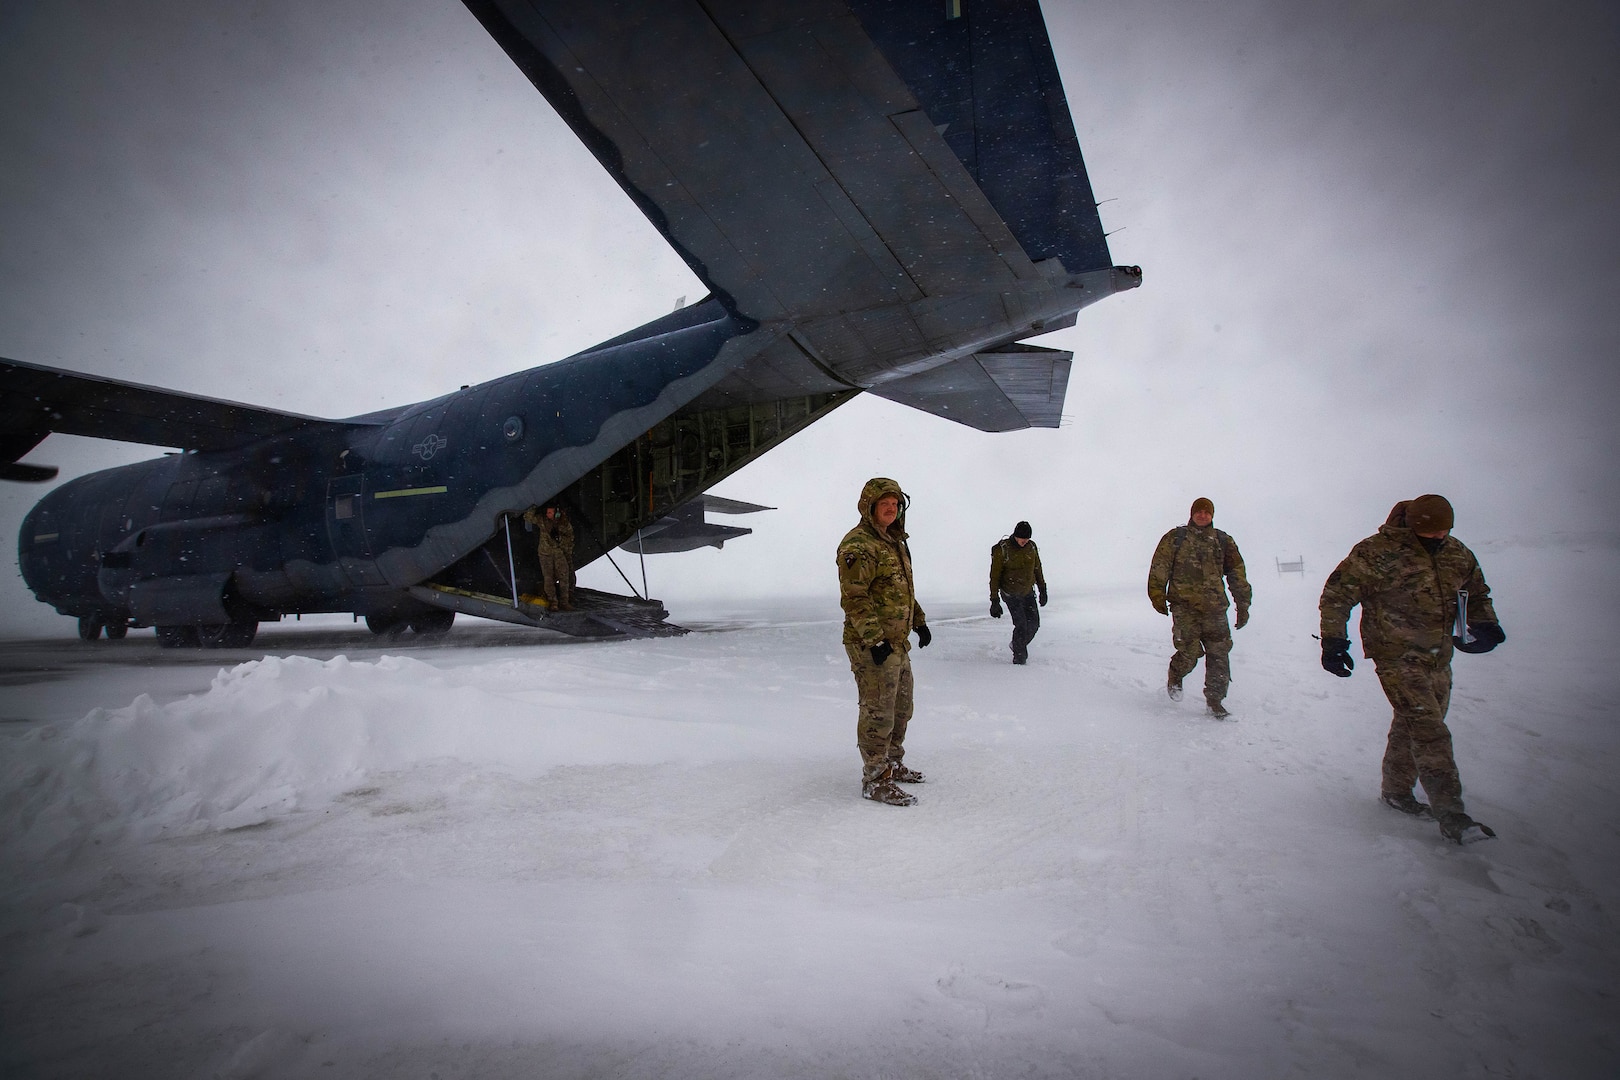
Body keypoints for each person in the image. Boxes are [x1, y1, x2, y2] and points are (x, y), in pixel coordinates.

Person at [1319, 494, 1505, 843]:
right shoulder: (1377, 552)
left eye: (1445, 531)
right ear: (1415, 526)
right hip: (1395, 654)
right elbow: (1337, 594)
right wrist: (1333, 642)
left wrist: (1487, 626)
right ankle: (1453, 815)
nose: (1439, 538)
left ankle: (1396, 791)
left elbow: (1476, 593)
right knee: (1429, 729)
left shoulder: (1457, 552)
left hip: (1438, 654)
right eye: (1432, 532)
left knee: (1413, 723)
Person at [837, 477, 931, 806]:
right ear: (870, 507)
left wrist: (918, 622)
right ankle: (875, 778)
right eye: (884, 504)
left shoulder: (894, 541)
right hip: (871, 644)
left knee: (902, 707)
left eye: (895, 504)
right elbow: (855, 597)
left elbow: (902, 589)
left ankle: (892, 763)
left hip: (897, 642)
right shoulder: (858, 544)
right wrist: (875, 640)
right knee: (879, 711)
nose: (891, 509)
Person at [1146, 497, 1251, 718]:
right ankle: (1176, 674)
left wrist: (1243, 604)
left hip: (1215, 609)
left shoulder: (1223, 541)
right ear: (1192, 514)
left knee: (1219, 654)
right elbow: (1160, 566)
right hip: (1185, 608)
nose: (1202, 515)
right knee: (1189, 651)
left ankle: (1215, 701)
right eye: (1199, 512)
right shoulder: (1176, 538)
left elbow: (1237, 574)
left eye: (1207, 512)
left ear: (1212, 515)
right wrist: (1157, 594)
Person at [989, 520, 1048, 665]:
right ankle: (1019, 658)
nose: (1024, 541)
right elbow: (994, 576)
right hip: (1010, 593)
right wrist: (994, 600)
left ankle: (1016, 645)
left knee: (1034, 625)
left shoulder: (1031, 547)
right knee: (1021, 624)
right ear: (1015, 535)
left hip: (1027, 591)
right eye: (1022, 538)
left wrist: (1042, 589)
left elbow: (1037, 568)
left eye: (1027, 539)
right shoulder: (1003, 549)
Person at [523, 503, 575, 610]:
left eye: (550, 512)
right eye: (547, 512)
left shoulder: (564, 523)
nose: (548, 514)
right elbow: (528, 517)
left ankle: (564, 602)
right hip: (545, 554)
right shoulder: (542, 520)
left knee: (564, 577)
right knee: (548, 578)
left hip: (559, 553)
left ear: (557, 513)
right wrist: (533, 507)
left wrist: (560, 539)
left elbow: (570, 538)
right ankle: (553, 602)